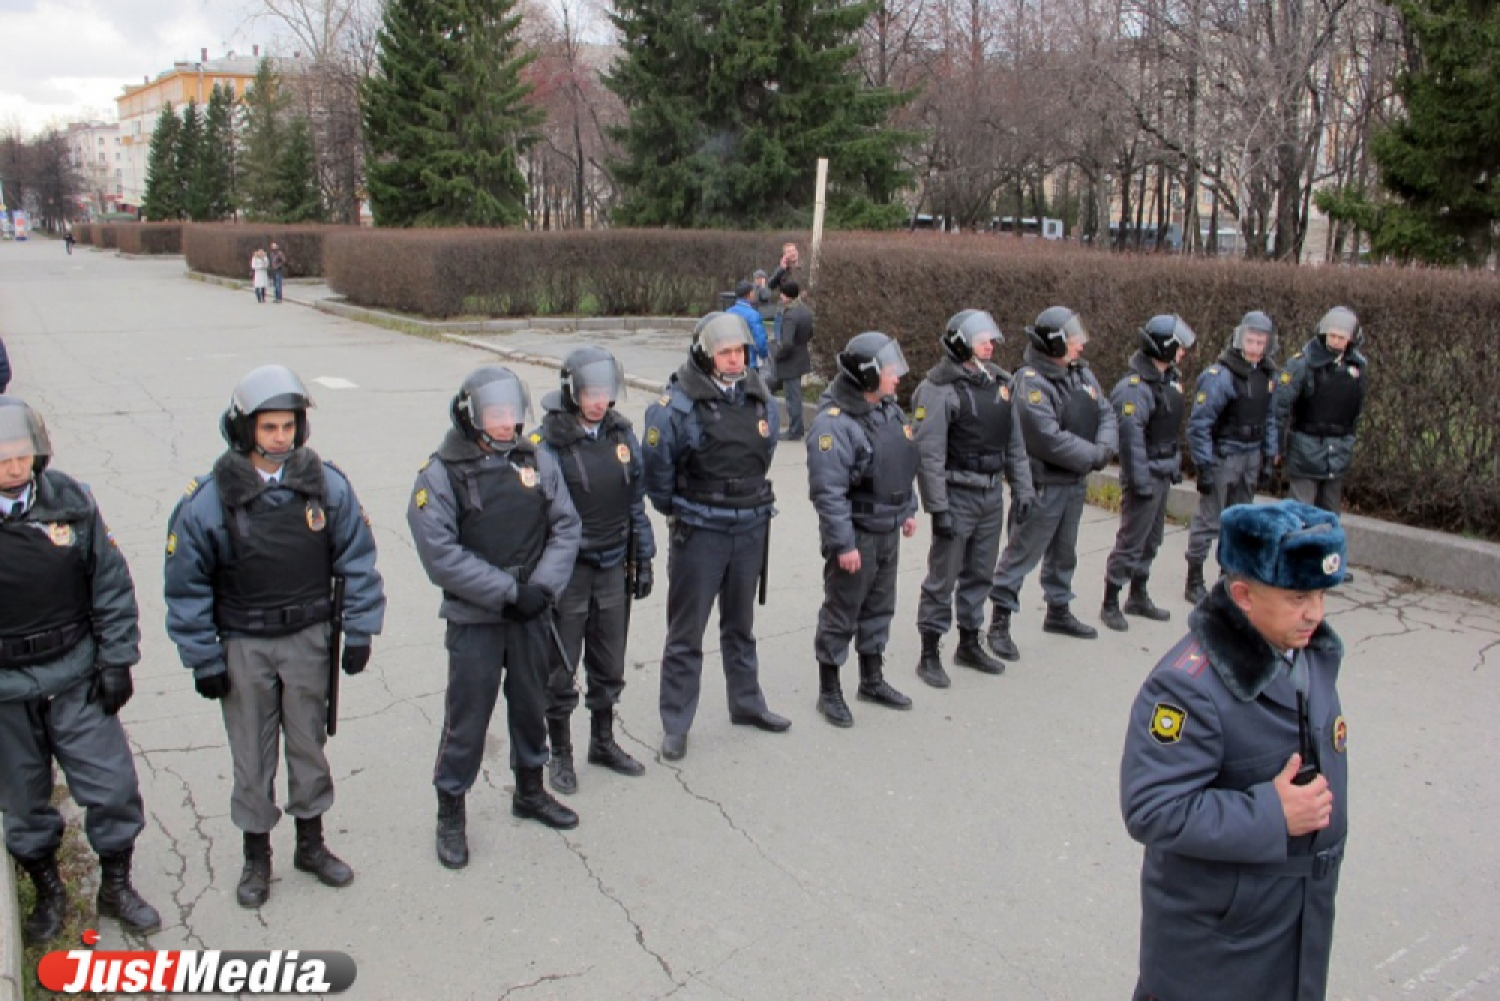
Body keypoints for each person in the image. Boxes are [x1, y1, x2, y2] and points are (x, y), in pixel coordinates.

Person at [164, 365, 386, 908]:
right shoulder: (209, 500)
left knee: (308, 744)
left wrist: (360, 629)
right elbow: (186, 584)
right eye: (268, 429)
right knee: (253, 755)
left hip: (309, 637)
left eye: (288, 427)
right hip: (244, 644)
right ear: (245, 431)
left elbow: (357, 558)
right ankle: (255, 857)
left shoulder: (325, 485)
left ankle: (310, 845)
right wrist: (202, 658)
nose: (280, 438)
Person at [1120, 500, 1350, 1001]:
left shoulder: (1304, 648)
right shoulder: (1188, 686)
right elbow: (1153, 808)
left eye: (1321, 594)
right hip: (1218, 952)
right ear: (1243, 595)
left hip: (1288, 924)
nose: (1315, 612)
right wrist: (1273, 812)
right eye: (1297, 596)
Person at [0, 396, 161, 943]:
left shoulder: (70, 502)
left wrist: (117, 659)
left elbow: (110, 584)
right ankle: (48, 891)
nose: (13, 468)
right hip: (6, 689)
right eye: (1, 459)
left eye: (21, 456)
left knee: (112, 786)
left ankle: (116, 886)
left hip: (74, 673)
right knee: (23, 800)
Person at [408, 366, 582, 868]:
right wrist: (508, 592)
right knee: (467, 720)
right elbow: (440, 554)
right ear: (470, 416)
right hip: (477, 619)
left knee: (531, 704)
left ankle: (530, 789)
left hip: (532, 610)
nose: (506, 424)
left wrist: (542, 587)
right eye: (495, 415)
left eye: (512, 413)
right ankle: (450, 812)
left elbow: (565, 525)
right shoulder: (440, 473)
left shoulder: (536, 458)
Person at [641, 312, 789, 761]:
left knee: (740, 626)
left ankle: (746, 703)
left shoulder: (757, 395)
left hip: (749, 525)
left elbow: (765, 448)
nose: (734, 359)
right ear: (705, 354)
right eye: (724, 352)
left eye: (739, 351)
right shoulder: (676, 406)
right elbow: (657, 471)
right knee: (687, 633)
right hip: (700, 530)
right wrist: (684, 509)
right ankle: (676, 723)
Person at [532, 347, 656, 794]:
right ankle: (559, 753)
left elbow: (635, 500)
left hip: (612, 563)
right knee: (561, 667)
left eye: (605, 392)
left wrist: (643, 555)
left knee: (610, 659)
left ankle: (602, 741)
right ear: (571, 391)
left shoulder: (621, 435)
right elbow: (537, 515)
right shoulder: (548, 444)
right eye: (590, 393)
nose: (600, 401)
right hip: (569, 572)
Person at [986, 306, 1117, 660]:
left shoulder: (1080, 375)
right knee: (1021, 553)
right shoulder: (1030, 382)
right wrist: (1094, 455)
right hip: (1043, 484)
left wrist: (1103, 448)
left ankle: (1058, 610)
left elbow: (1106, 412)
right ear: (1055, 343)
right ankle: (999, 622)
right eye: (1074, 339)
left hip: (1073, 483)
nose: (1080, 346)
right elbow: (1046, 437)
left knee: (1064, 551)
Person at [912, 310, 1033, 687]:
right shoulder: (938, 388)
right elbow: (928, 453)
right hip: (957, 492)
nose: (990, 344)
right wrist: (938, 507)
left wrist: (1024, 488)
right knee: (943, 576)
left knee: (981, 571)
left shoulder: (999, 382)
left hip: (991, 493)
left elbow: (1014, 442)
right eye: (982, 339)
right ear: (961, 342)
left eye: (991, 339)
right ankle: (929, 651)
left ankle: (969, 641)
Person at [806, 332, 920, 727]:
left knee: (879, 607)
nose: (898, 377)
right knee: (842, 611)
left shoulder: (888, 410)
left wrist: (907, 508)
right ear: (868, 376)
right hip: (857, 535)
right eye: (890, 370)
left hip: (887, 529)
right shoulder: (834, 424)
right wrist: (844, 544)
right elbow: (828, 492)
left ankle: (871, 679)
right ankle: (829, 690)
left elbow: (902, 462)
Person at [1101, 315, 1197, 632]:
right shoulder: (1134, 388)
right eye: (1178, 346)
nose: (1182, 352)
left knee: (1152, 539)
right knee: (1131, 540)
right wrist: (1140, 480)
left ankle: (1138, 595)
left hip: (1160, 472)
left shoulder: (1166, 378)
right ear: (1164, 347)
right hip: (1145, 474)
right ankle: (1111, 600)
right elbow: (1130, 440)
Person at [1184, 310, 1280, 604]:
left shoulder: (1268, 375)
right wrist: (1203, 465)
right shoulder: (1221, 375)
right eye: (1250, 340)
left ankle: (1229, 577)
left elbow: (1271, 418)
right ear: (1239, 339)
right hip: (1224, 455)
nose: (1254, 346)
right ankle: (1194, 578)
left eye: (1260, 341)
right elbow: (1200, 424)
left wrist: (1269, 456)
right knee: (1210, 519)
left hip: (1251, 455)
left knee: (1241, 521)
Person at [1274, 307, 1368, 513]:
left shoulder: (1357, 367)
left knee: (1329, 515)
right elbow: (1279, 407)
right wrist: (1276, 446)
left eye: (1341, 337)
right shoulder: (1302, 364)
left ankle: (1323, 546)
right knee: (1299, 512)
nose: (1335, 341)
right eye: (1332, 335)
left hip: (1337, 452)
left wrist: (1348, 442)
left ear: (1351, 339)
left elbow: (1354, 411)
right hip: (1305, 448)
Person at [771, 280, 814, 441]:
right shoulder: (805, 311)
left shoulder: (790, 316)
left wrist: (777, 354)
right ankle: (797, 428)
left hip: (790, 362)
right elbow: (810, 334)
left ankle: (795, 430)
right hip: (801, 357)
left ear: (788, 296)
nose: (780, 296)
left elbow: (787, 343)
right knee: (791, 394)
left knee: (792, 398)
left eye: (782, 293)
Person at [726, 280, 770, 372]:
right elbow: (759, 340)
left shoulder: (728, 312)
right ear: (749, 294)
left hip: (731, 360)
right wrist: (764, 354)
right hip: (750, 361)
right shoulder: (753, 315)